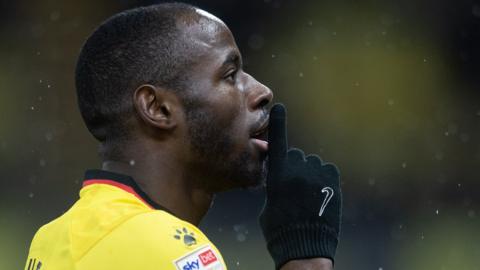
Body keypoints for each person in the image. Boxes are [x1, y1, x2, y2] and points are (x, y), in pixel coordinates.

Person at [24, 3, 342, 270]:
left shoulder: (52, 238)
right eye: (231, 75)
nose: (262, 92)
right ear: (158, 108)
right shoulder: (173, 254)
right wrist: (307, 260)